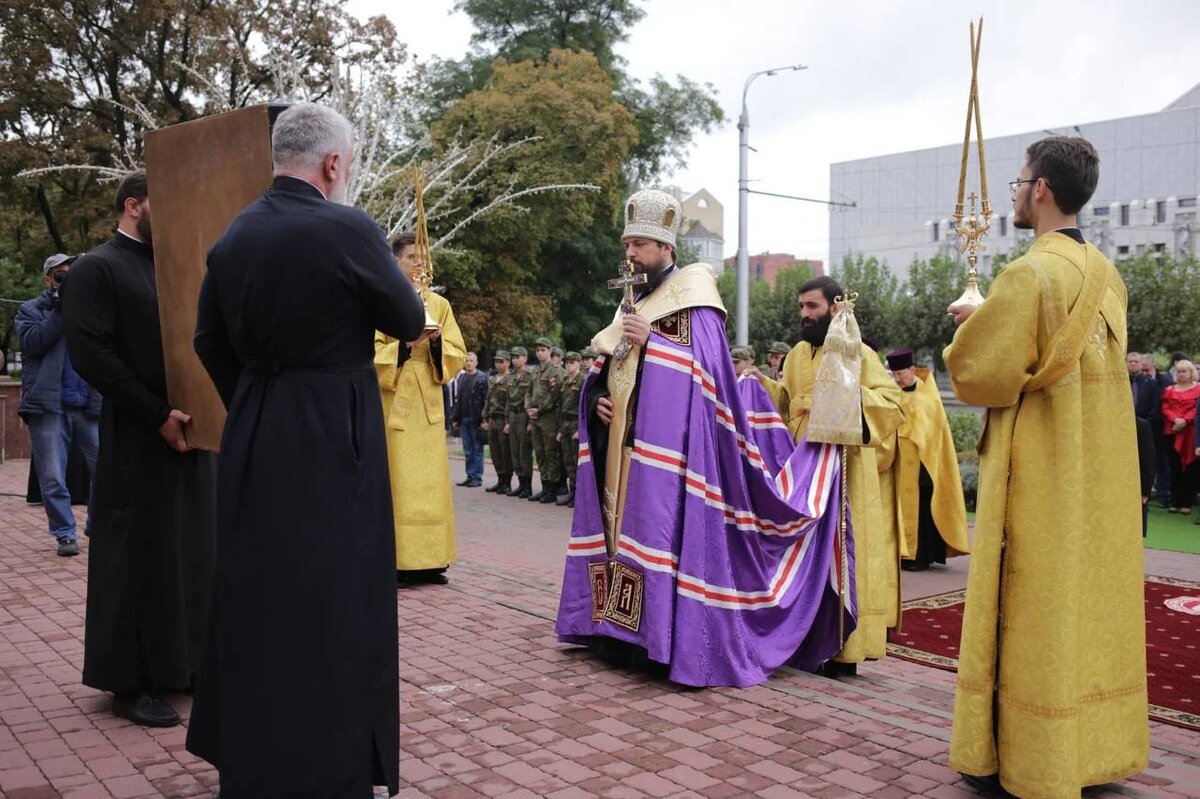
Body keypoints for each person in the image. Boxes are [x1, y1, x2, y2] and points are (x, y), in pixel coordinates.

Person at [186, 102, 425, 798]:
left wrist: (259, 398)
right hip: (335, 434)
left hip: (257, 426)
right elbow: (408, 319)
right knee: (336, 599)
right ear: (333, 164)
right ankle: (333, 766)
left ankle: (254, 760)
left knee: (258, 595)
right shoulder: (349, 228)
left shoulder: (234, 236)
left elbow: (208, 340)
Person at [556, 188, 853, 687]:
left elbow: (708, 380)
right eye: (627, 244)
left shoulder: (696, 301)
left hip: (676, 458)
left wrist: (653, 343)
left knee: (658, 533)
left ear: (667, 249)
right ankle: (615, 629)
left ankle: (659, 639)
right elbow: (608, 365)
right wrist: (597, 399)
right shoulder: (634, 300)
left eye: (642, 245)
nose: (631, 254)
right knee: (617, 532)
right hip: (624, 450)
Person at [944, 136, 1148, 798]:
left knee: (1029, 603)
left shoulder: (1027, 275)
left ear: (1040, 190)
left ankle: (1028, 758)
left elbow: (980, 374)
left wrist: (968, 322)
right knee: (1082, 602)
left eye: (1018, 180)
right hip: (1095, 468)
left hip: (1037, 469)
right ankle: (1090, 748)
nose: (1012, 191)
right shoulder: (1107, 277)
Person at [63, 170, 217, 728]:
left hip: (192, 432)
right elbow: (92, 355)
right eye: (163, 204)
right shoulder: (96, 268)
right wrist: (156, 415)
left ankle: (181, 665)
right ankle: (128, 682)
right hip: (137, 435)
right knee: (134, 554)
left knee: (187, 551)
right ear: (133, 205)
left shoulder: (177, 267)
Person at [757, 275, 904, 676]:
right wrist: (757, 386)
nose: (805, 315)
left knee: (841, 557)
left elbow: (891, 405)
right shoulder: (796, 356)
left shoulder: (857, 352)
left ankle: (844, 650)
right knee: (804, 557)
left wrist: (845, 401)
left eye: (813, 307)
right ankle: (803, 640)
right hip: (803, 476)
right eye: (802, 307)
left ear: (835, 307)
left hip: (845, 478)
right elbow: (785, 405)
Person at [375, 232, 467, 586]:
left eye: (423, 257)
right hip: (395, 401)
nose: (419, 264)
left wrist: (437, 340)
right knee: (397, 479)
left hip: (428, 399)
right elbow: (369, 352)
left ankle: (431, 560)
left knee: (431, 482)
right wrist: (406, 343)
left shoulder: (439, 304)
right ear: (395, 261)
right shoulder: (381, 301)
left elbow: (457, 352)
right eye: (412, 256)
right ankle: (397, 560)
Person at [16, 253, 101, 557]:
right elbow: (33, 342)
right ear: (48, 279)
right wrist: (60, 308)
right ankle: (64, 533)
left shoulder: (88, 309)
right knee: (52, 475)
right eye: (60, 274)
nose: (65, 278)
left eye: (71, 274)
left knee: (104, 468)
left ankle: (96, 522)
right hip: (48, 407)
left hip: (86, 404)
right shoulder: (31, 310)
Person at [881, 349, 968, 572]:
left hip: (924, 465)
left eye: (901, 373)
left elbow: (932, 429)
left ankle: (921, 556)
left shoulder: (927, 395)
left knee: (923, 511)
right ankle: (904, 553)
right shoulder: (892, 393)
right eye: (894, 374)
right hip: (900, 464)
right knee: (901, 509)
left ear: (911, 370)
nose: (897, 379)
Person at [527, 337, 566, 503]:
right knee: (540, 453)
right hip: (535, 418)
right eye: (537, 350)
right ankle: (544, 487)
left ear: (550, 351)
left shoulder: (555, 371)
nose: (539, 353)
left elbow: (554, 395)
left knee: (551, 453)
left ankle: (553, 488)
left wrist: (540, 409)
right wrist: (528, 408)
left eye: (543, 350)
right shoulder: (535, 371)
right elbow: (528, 392)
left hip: (549, 417)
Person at [1161, 359, 1200, 515]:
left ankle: (1186, 503)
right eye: (1179, 371)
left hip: (1190, 433)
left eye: (1185, 371)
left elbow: (1197, 410)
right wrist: (1175, 419)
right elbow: (1165, 407)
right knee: (1173, 466)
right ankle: (1174, 501)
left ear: (1192, 373)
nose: (1182, 374)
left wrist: (1185, 420)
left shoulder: (1198, 389)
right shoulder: (1169, 390)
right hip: (1172, 431)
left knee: (1189, 468)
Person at [453, 352, 489, 487]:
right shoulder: (461, 378)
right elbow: (458, 399)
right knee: (467, 449)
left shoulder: (482, 378)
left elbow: (486, 400)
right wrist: (456, 418)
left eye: (471, 360)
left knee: (477, 449)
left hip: (477, 419)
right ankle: (470, 475)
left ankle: (477, 477)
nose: (468, 363)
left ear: (476, 362)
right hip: (464, 418)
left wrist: (485, 420)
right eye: (466, 360)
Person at [1142, 353, 1174, 506]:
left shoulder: (1166, 381)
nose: (1145, 373)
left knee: (1162, 462)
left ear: (1154, 366)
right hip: (1143, 429)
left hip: (1159, 428)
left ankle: (1163, 495)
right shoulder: (1137, 381)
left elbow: (1162, 405)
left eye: (1147, 370)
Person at [555, 350, 584, 507]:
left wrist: (580, 429)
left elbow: (583, 407)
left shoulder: (582, 380)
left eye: (572, 362)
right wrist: (560, 430)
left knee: (576, 461)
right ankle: (572, 492)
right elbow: (561, 406)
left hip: (575, 424)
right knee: (568, 462)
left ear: (579, 363)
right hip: (565, 425)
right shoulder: (565, 381)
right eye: (566, 362)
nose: (568, 365)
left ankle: (578, 495)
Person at [483, 351, 513, 494]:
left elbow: (510, 402)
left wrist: (508, 421)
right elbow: (488, 400)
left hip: (502, 419)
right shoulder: (493, 379)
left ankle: (507, 481)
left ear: (508, 363)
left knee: (505, 452)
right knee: (494, 452)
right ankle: (500, 479)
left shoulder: (510, 379)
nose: (499, 364)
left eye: (502, 361)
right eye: (497, 361)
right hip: (492, 419)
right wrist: (485, 418)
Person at [506, 346, 534, 498]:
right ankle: (520, 483)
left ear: (525, 358)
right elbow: (508, 400)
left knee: (524, 451)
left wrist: (530, 422)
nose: (515, 360)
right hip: (513, 416)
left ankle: (527, 485)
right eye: (513, 357)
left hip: (524, 416)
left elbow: (532, 397)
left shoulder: (530, 375)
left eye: (518, 357)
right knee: (515, 451)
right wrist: (507, 421)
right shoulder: (510, 377)